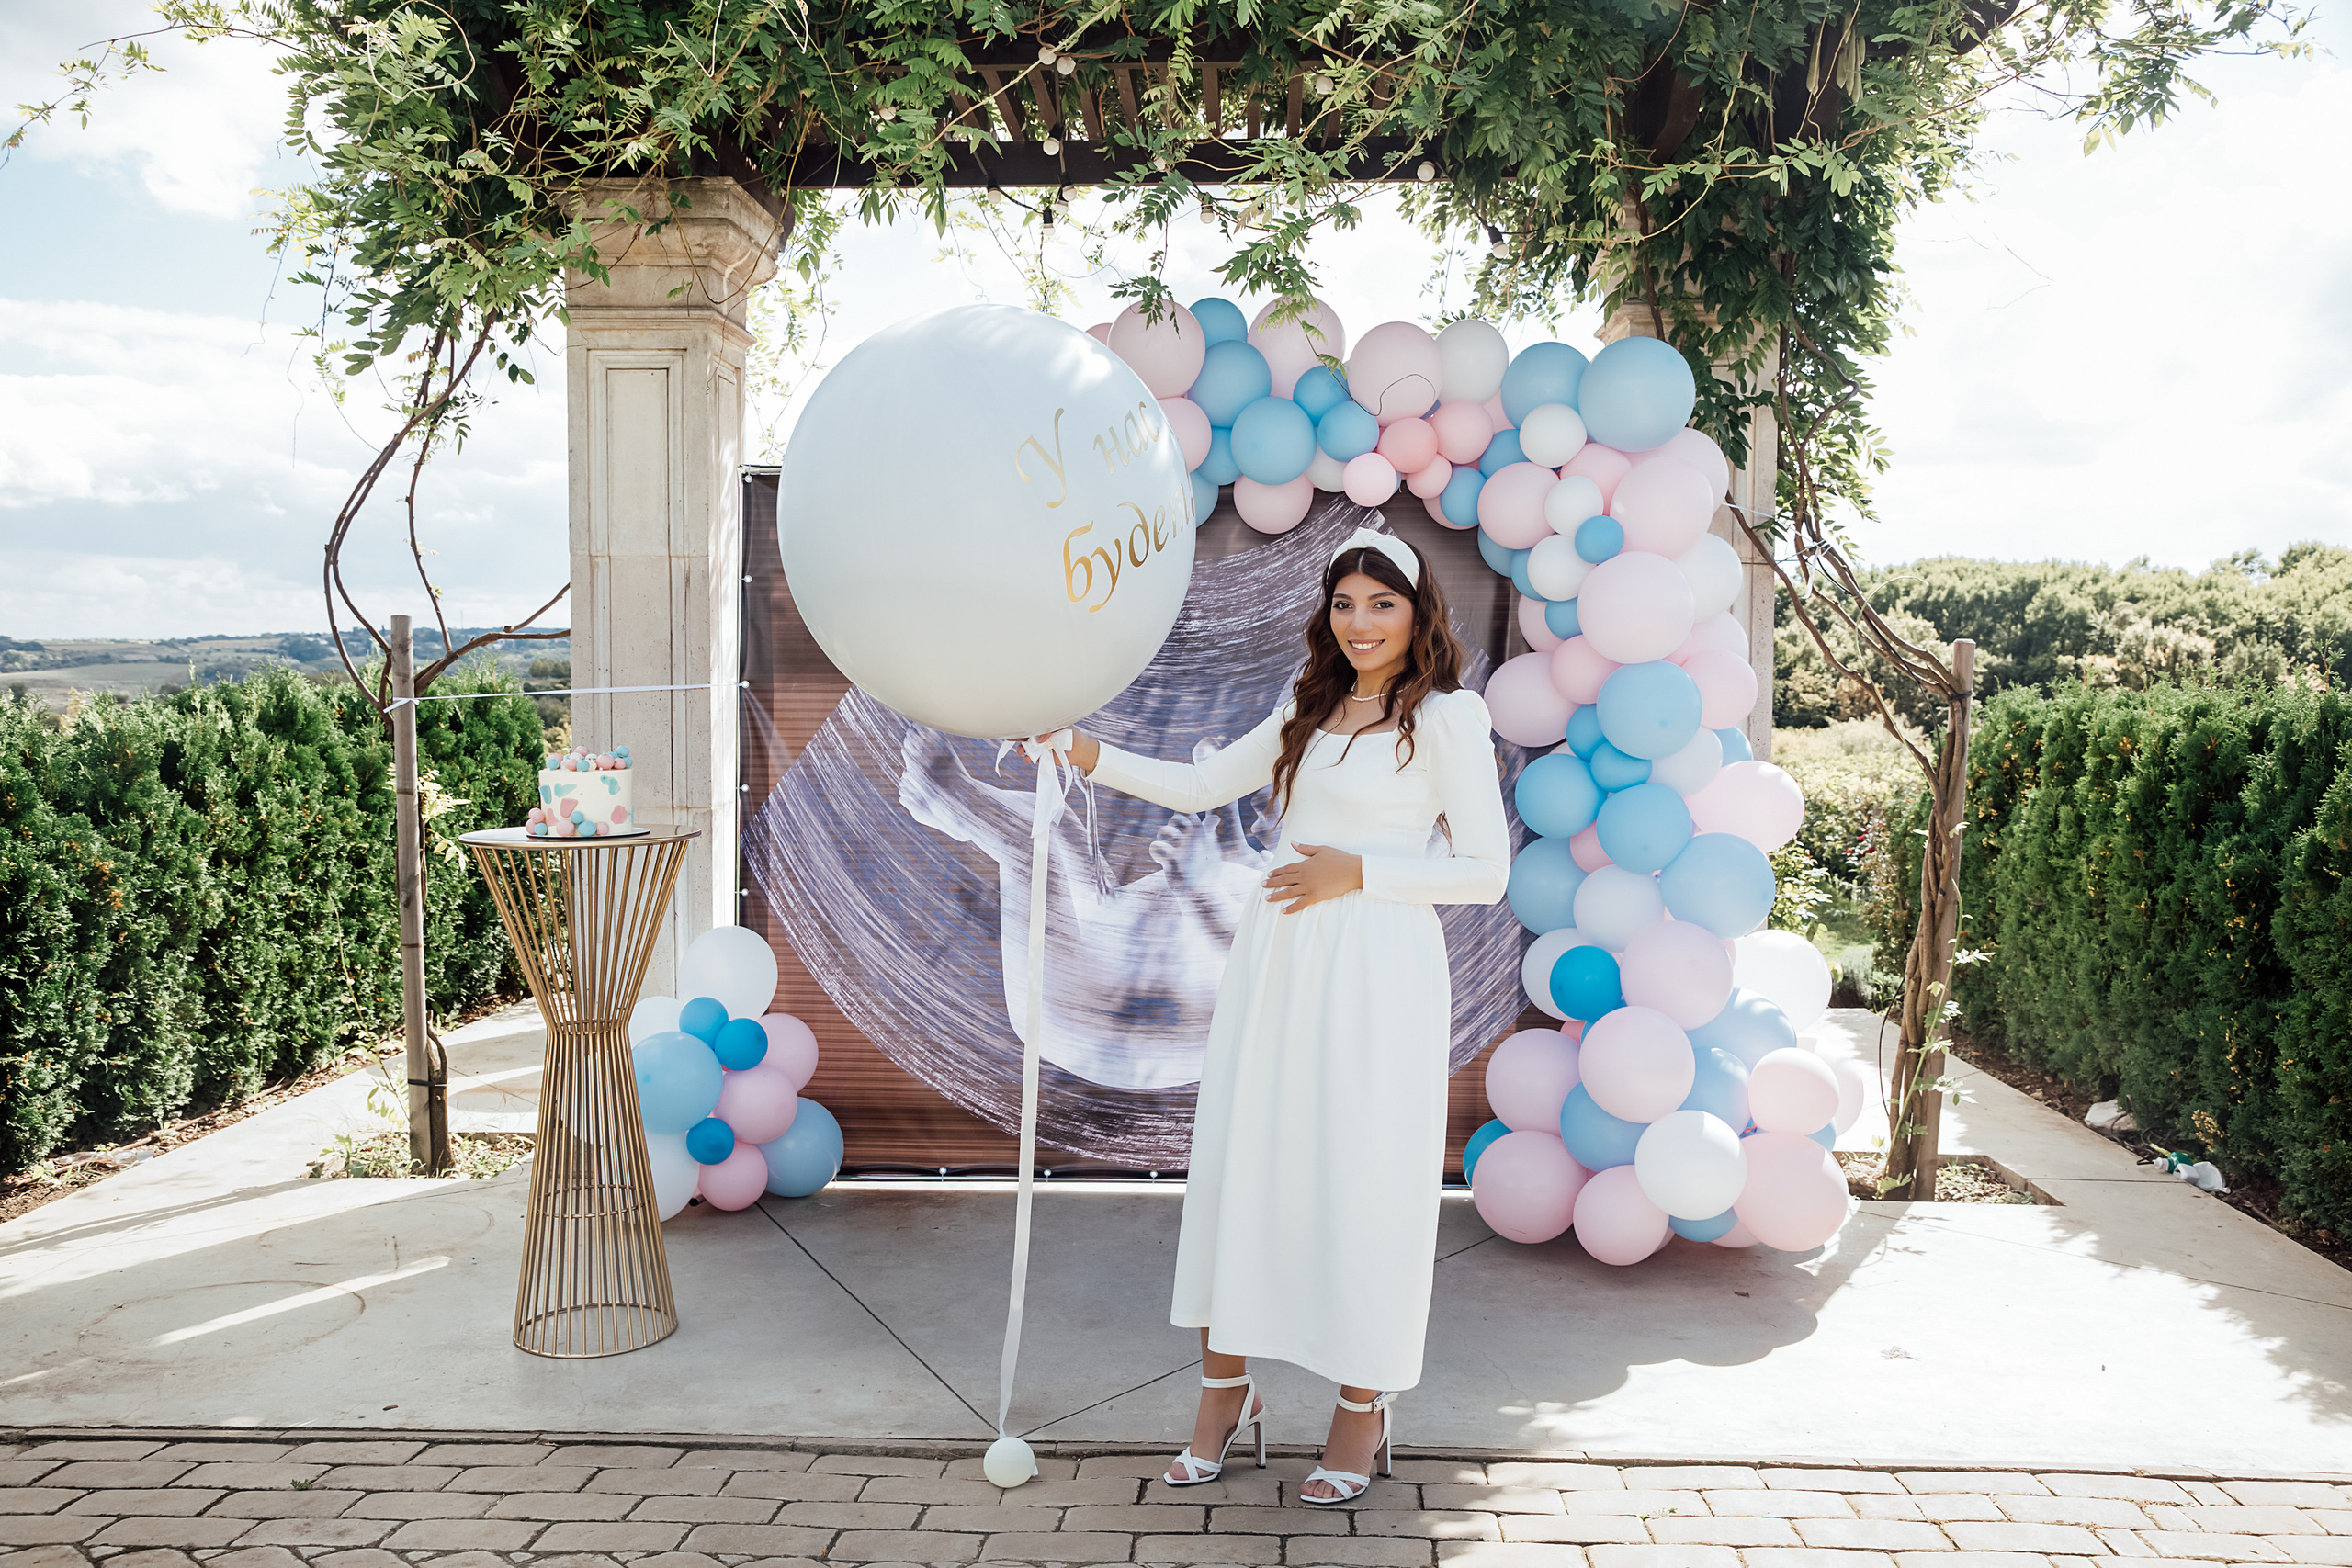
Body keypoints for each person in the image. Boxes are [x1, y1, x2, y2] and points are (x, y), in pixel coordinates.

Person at [1039, 525, 1509, 1504]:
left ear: (1419, 613)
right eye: (1345, 604)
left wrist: (1359, 871)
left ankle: (1361, 1407)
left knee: (1360, 1176)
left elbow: (1484, 870)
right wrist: (1080, 751)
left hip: (1378, 965)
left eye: (1382, 603)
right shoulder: (1310, 700)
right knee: (1248, 1169)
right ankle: (1223, 1395)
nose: (1361, 623)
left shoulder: (1449, 718)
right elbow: (1207, 785)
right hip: (1280, 958)